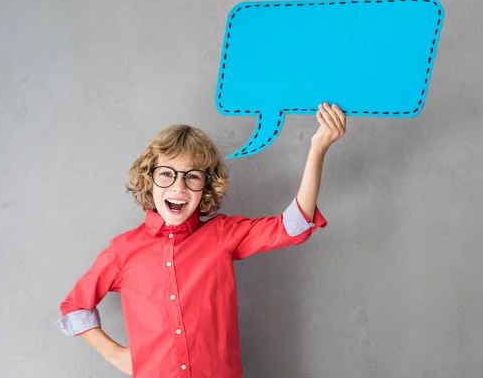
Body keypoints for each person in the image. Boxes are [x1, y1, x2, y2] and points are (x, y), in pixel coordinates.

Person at [56, 102, 346, 377]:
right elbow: (75, 306)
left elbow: (292, 227)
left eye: (192, 177)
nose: (178, 187)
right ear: (150, 178)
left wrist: (317, 149)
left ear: (206, 186)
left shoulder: (222, 234)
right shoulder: (124, 249)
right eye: (167, 174)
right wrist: (116, 355)